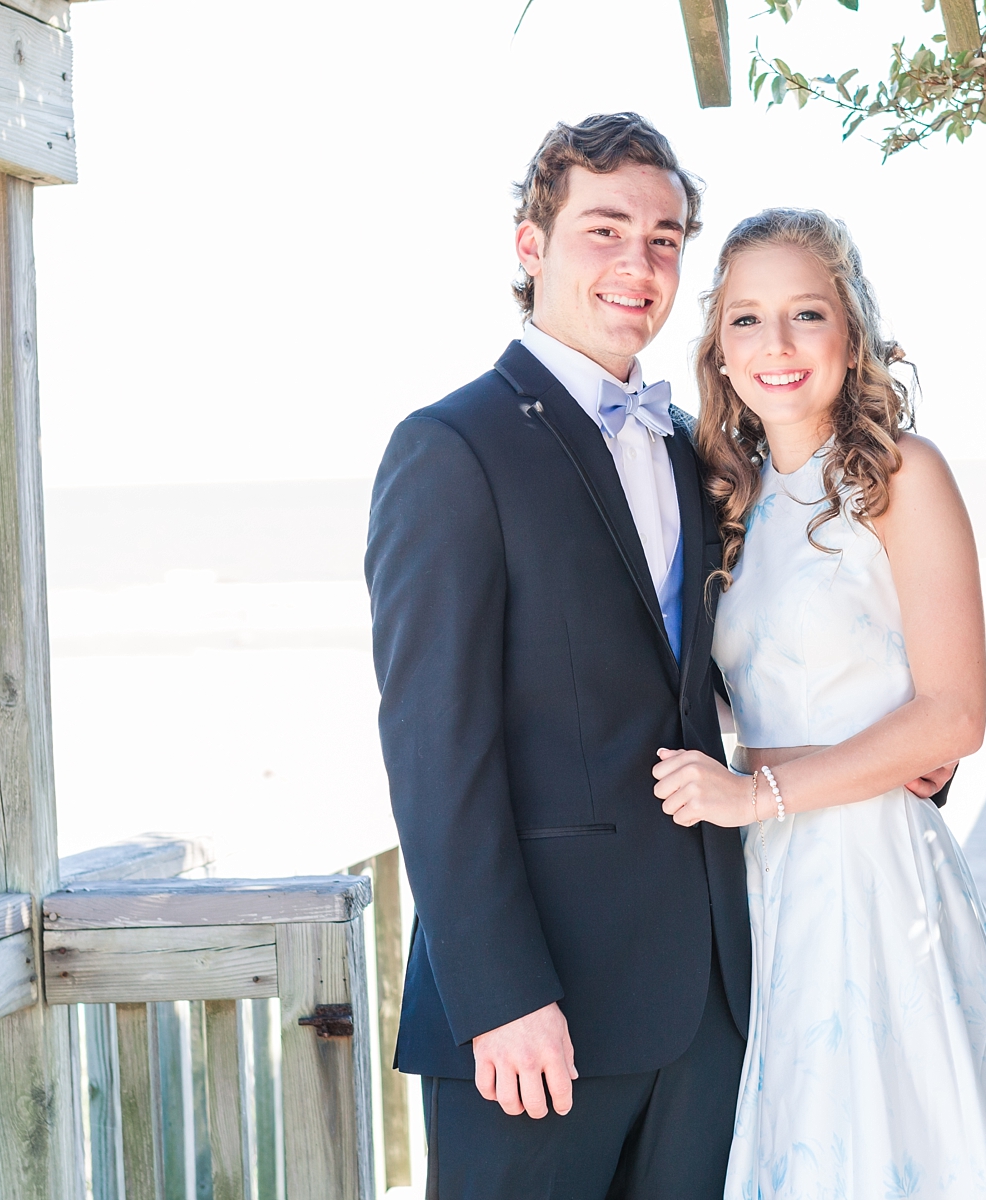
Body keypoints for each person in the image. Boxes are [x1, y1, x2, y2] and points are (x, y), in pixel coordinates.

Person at [365, 113, 751, 1199]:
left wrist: (903, 748)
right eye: (606, 230)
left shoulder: (689, 451)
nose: (640, 263)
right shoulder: (450, 450)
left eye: (666, 238)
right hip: (539, 1018)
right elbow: (434, 746)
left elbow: (739, 664)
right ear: (530, 248)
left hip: (709, 1003)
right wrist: (497, 993)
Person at [651, 209, 986, 1199]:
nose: (778, 345)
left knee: (902, 1144)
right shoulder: (725, 503)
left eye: (805, 313)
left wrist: (762, 794)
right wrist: (759, 782)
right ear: (719, 347)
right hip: (767, 886)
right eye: (747, 320)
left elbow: (954, 716)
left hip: (876, 873)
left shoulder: (900, 478)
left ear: (851, 333)